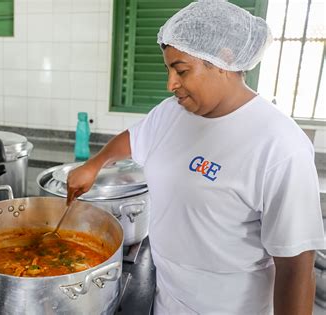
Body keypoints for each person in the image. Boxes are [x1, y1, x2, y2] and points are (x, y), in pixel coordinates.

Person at [66, 0, 325, 314]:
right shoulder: (171, 112)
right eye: (169, 69)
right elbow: (133, 138)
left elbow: (297, 267)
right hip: (168, 299)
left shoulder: (280, 144)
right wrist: (94, 165)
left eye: (181, 70)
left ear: (223, 61)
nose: (170, 83)